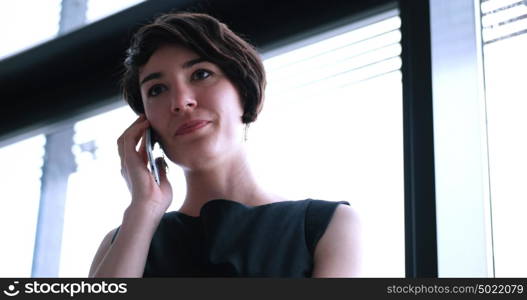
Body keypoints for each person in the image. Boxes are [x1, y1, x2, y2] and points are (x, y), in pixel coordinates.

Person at [89, 11, 362, 278]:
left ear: (243, 90)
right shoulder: (121, 243)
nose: (181, 102)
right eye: (157, 90)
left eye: (201, 74)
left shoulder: (327, 225)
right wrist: (143, 208)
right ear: (145, 124)